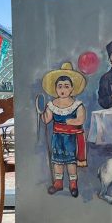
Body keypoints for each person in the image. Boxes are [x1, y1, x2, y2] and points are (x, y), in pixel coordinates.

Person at [41, 62, 88, 198]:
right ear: (55, 89)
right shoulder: (52, 105)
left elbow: (80, 120)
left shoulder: (77, 105)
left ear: (72, 89)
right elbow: (46, 120)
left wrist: (69, 121)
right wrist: (41, 113)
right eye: (60, 86)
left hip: (71, 138)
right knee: (57, 161)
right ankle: (58, 183)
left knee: (71, 162)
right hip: (57, 138)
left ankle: (73, 184)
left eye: (66, 86)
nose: (63, 89)